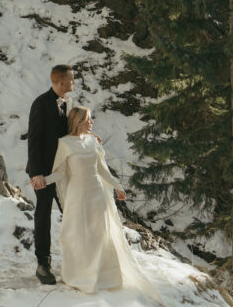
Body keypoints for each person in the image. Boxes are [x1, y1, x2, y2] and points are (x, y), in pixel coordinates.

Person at [46, 105, 164, 302]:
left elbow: (102, 169)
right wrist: (43, 180)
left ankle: (105, 277)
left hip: (96, 192)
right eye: (89, 119)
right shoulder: (65, 143)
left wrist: (118, 187)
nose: (92, 122)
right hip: (77, 194)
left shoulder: (93, 141)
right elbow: (59, 172)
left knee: (100, 233)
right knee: (79, 234)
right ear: (79, 121)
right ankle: (81, 276)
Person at [26, 64, 74, 285]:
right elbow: (34, 138)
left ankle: (76, 259)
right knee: (43, 215)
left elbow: (70, 134)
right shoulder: (40, 103)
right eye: (71, 80)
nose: (73, 83)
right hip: (44, 173)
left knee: (72, 213)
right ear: (61, 82)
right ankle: (43, 264)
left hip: (64, 171)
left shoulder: (67, 103)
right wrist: (36, 172)